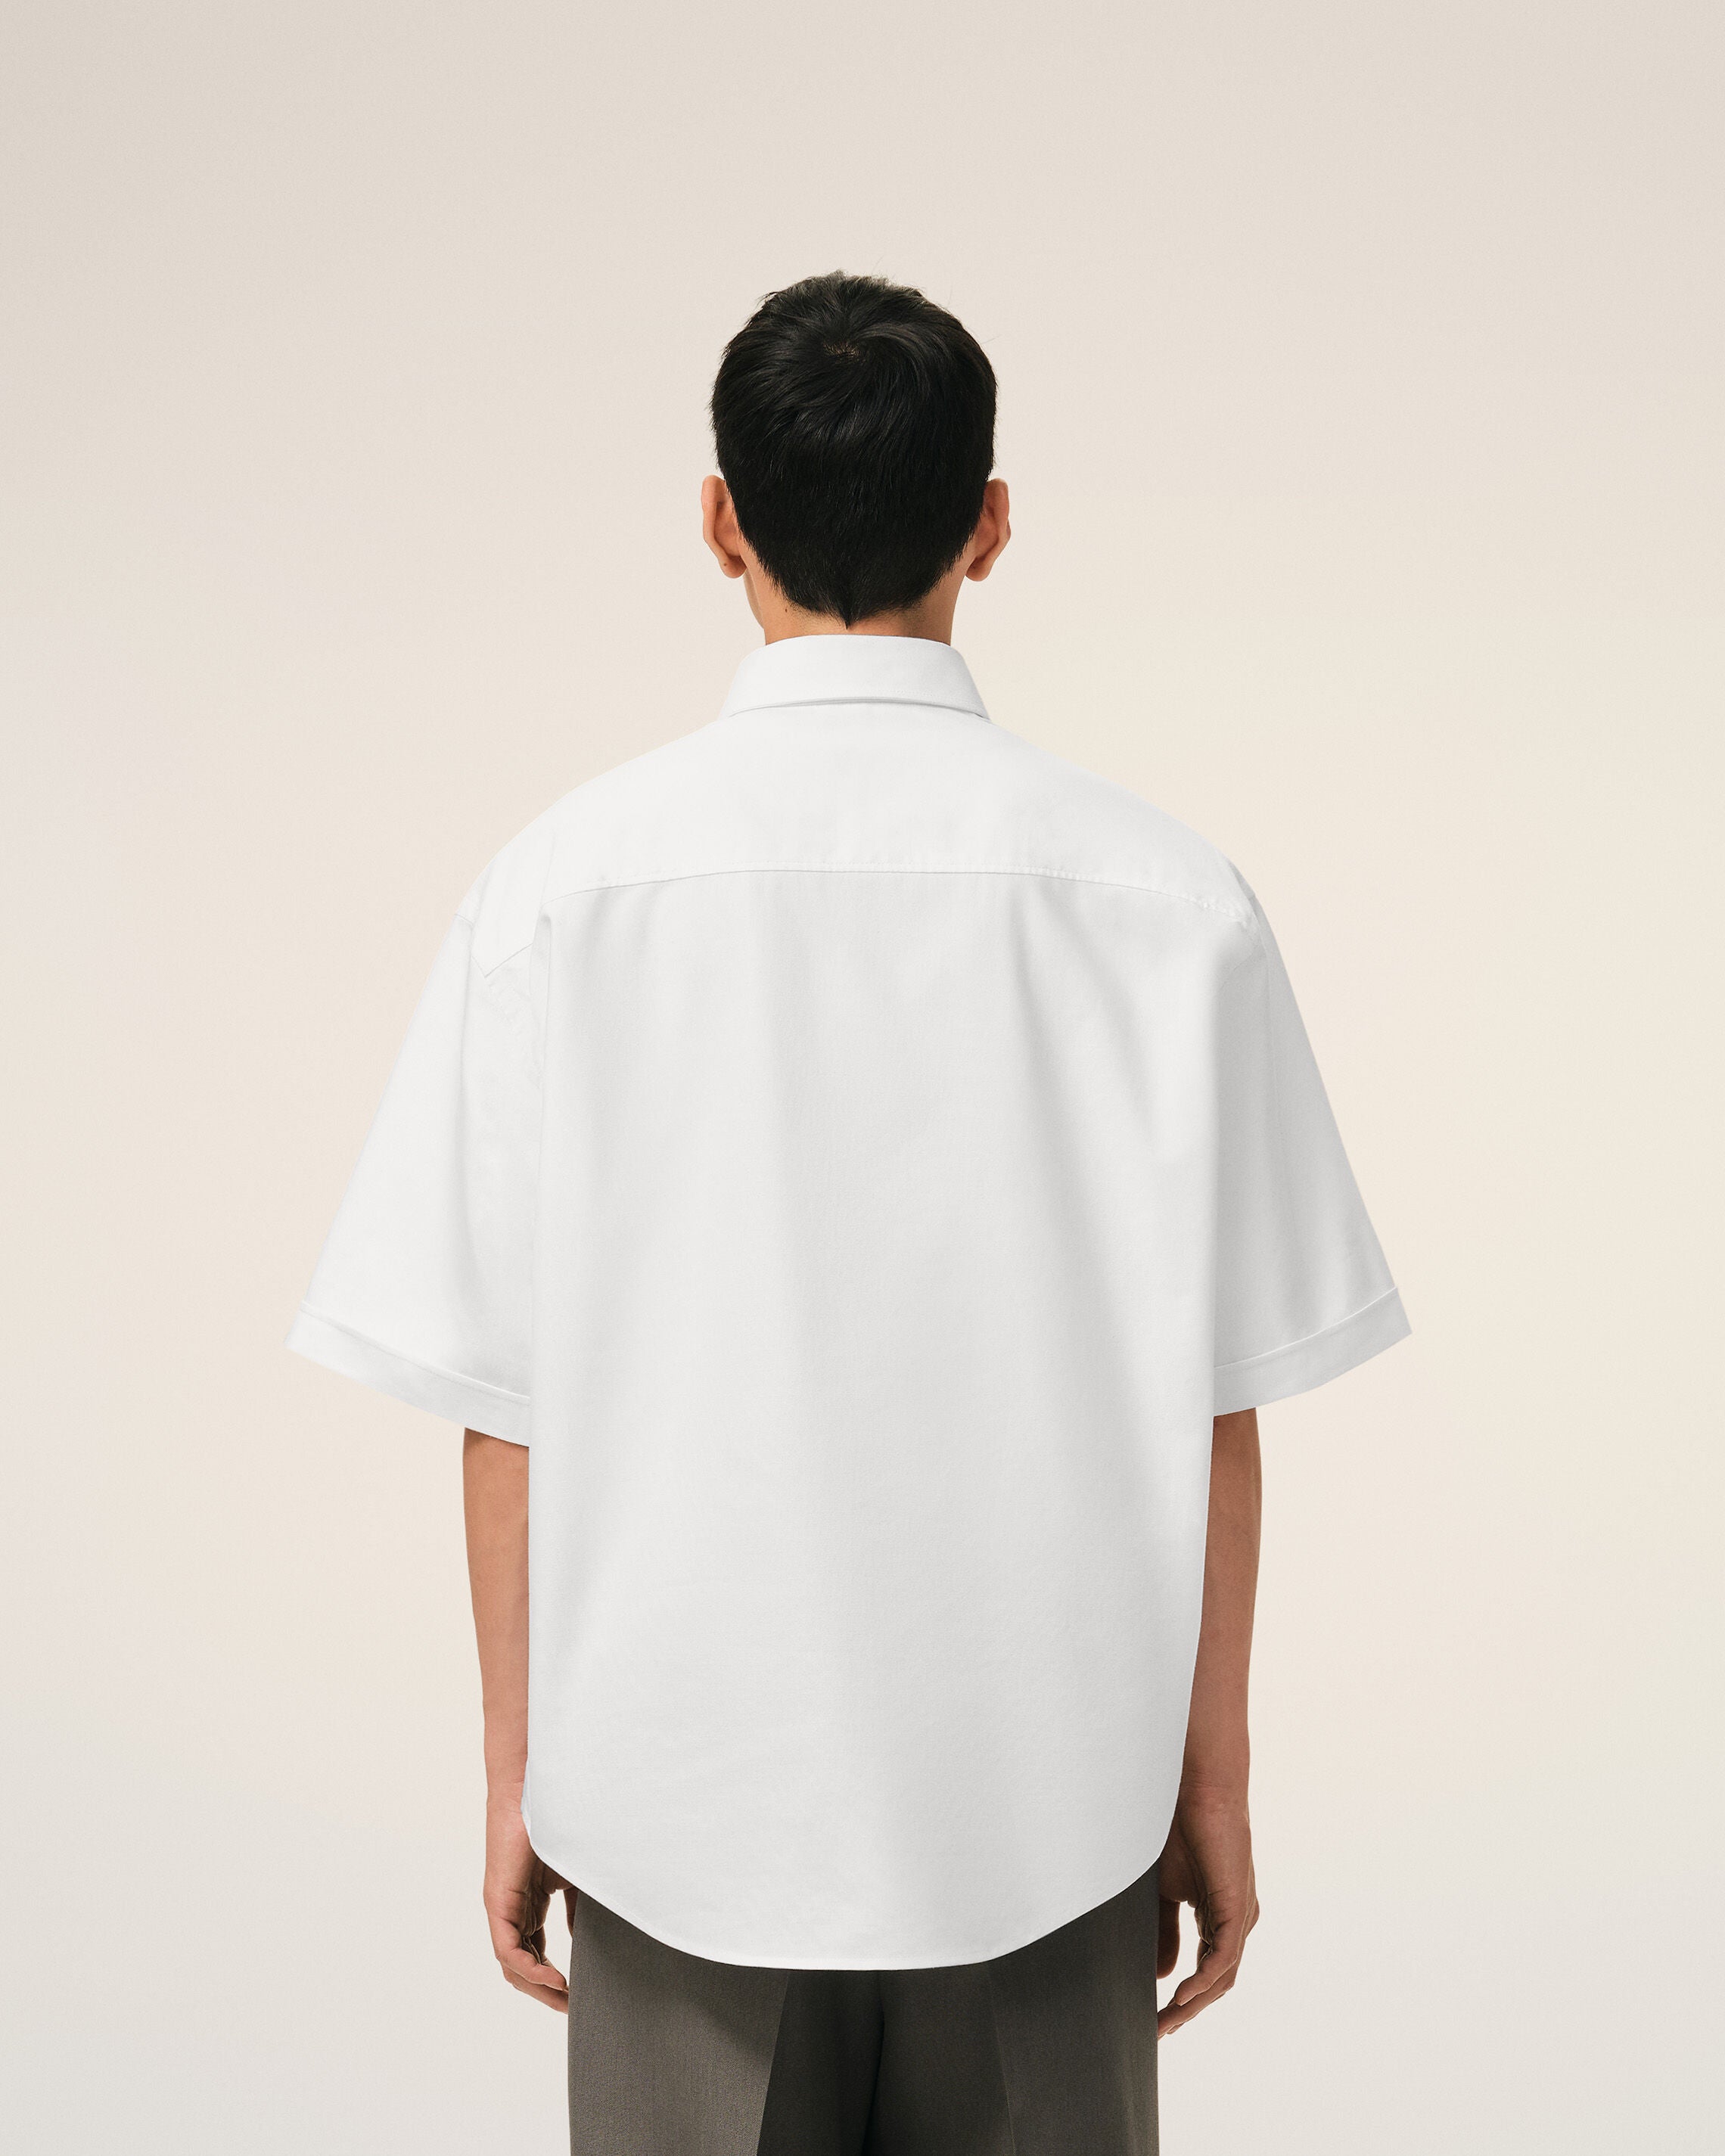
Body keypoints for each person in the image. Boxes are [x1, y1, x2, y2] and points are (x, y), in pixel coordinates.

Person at [288, 271, 1409, 2154]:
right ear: (991, 522)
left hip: (672, 1807)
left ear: (720, 518)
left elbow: (506, 1410)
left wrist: (520, 1775)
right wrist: (1212, 1778)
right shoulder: (1164, 899)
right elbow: (1216, 1406)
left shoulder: (560, 892)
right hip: (1052, 1812)